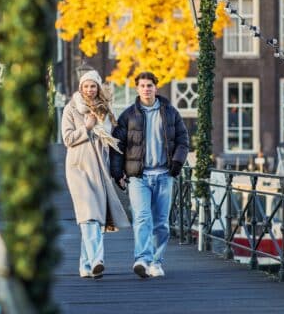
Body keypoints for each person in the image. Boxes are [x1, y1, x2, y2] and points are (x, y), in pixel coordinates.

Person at [110, 71, 189, 278]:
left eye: (150, 85)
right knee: (143, 218)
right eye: (142, 86)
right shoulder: (128, 116)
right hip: (139, 177)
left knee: (161, 222)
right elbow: (117, 146)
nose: (146, 89)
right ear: (137, 89)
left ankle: (156, 261)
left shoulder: (170, 112)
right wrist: (117, 172)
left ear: (156, 87)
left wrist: (177, 164)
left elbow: (183, 140)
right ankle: (142, 259)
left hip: (164, 175)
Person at [61, 69, 130, 279]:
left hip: (100, 168)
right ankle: (98, 260)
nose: (89, 90)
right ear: (80, 88)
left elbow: (112, 140)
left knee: (94, 218)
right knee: (88, 216)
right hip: (79, 167)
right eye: (86, 86)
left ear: (98, 87)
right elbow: (67, 139)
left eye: (93, 86)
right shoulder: (71, 109)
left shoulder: (106, 110)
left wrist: (118, 171)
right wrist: (87, 128)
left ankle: (86, 265)